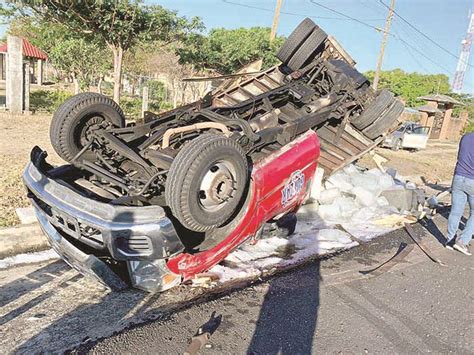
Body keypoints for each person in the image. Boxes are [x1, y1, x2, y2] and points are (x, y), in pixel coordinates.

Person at [445, 132, 474, 256]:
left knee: (456, 211)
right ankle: (462, 241)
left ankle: (450, 240)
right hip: (472, 180)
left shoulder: (466, 137)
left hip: (458, 177)